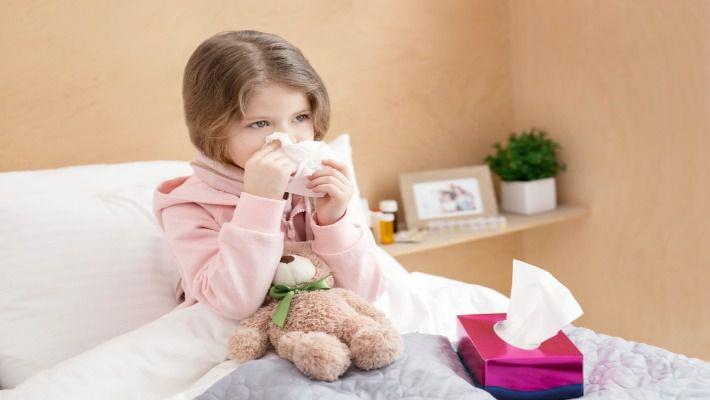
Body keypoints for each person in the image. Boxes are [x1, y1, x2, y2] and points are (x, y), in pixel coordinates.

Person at [152, 30, 385, 321]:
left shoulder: (315, 185)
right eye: (260, 124)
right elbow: (233, 303)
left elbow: (366, 294)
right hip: (232, 339)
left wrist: (333, 220)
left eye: (300, 118)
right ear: (211, 128)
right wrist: (260, 202)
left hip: (322, 329)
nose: (286, 139)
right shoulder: (188, 207)